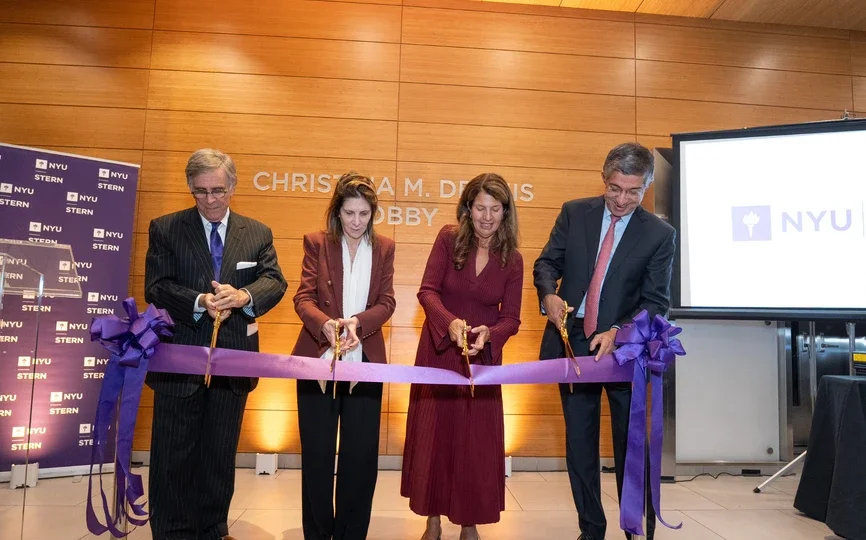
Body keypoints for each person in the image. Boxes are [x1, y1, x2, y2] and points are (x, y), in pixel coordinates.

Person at [533, 142, 676, 540]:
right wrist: (549, 294)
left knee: (630, 448)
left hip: (625, 350)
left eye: (633, 191)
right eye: (615, 188)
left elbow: (656, 300)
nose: (622, 199)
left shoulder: (660, 235)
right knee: (580, 444)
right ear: (604, 178)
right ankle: (591, 529)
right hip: (573, 343)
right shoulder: (575, 213)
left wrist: (619, 331)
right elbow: (547, 263)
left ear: (646, 186)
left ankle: (634, 528)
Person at [144, 148, 287, 540]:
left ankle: (212, 528)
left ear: (233, 187)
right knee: (174, 455)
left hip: (233, 361)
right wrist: (199, 301)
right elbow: (155, 287)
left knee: (219, 454)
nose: (210, 200)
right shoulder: (166, 228)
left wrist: (243, 296)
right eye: (200, 191)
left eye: (218, 190)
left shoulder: (256, 233)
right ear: (190, 188)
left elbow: (275, 282)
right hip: (179, 360)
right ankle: (172, 531)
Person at [401, 173, 523, 540]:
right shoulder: (448, 239)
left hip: (482, 365)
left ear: (506, 213)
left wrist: (491, 334)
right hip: (439, 353)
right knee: (434, 436)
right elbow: (427, 292)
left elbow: (512, 318)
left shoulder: (513, 260)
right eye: (480, 208)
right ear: (468, 209)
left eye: (496, 209)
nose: (487, 217)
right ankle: (433, 518)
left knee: (475, 443)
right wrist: (449, 323)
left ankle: (469, 521)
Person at [292, 172, 396, 540]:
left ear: (373, 214)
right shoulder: (317, 243)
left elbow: (387, 302)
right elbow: (303, 299)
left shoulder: (384, 248)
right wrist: (325, 326)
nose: (356, 222)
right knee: (318, 457)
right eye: (349, 213)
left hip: (365, 363)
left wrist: (356, 322)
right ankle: (318, 534)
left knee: (360, 458)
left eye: (364, 214)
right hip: (317, 360)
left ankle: (352, 534)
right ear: (337, 212)